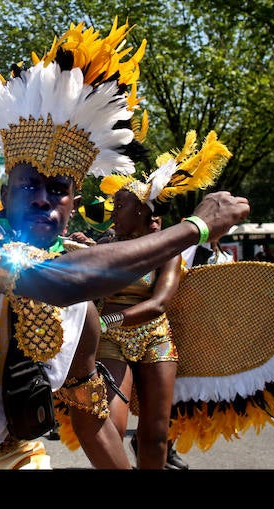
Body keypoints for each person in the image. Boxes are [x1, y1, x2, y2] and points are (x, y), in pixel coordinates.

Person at [0, 17, 250, 469]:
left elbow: (92, 421)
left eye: (57, 190)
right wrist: (195, 227)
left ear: (74, 202)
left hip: (18, 457)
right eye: (29, 185)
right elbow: (45, 280)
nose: (42, 200)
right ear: (7, 188)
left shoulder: (81, 310)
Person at [95, 131, 231, 470]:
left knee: (155, 437)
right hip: (112, 341)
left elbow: (159, 304)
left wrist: (106, 320)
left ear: (142, 210)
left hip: (155, 338)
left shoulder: (167, 252)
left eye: (121, 205)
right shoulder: (104, 248)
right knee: (111, 427)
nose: (113, 212)